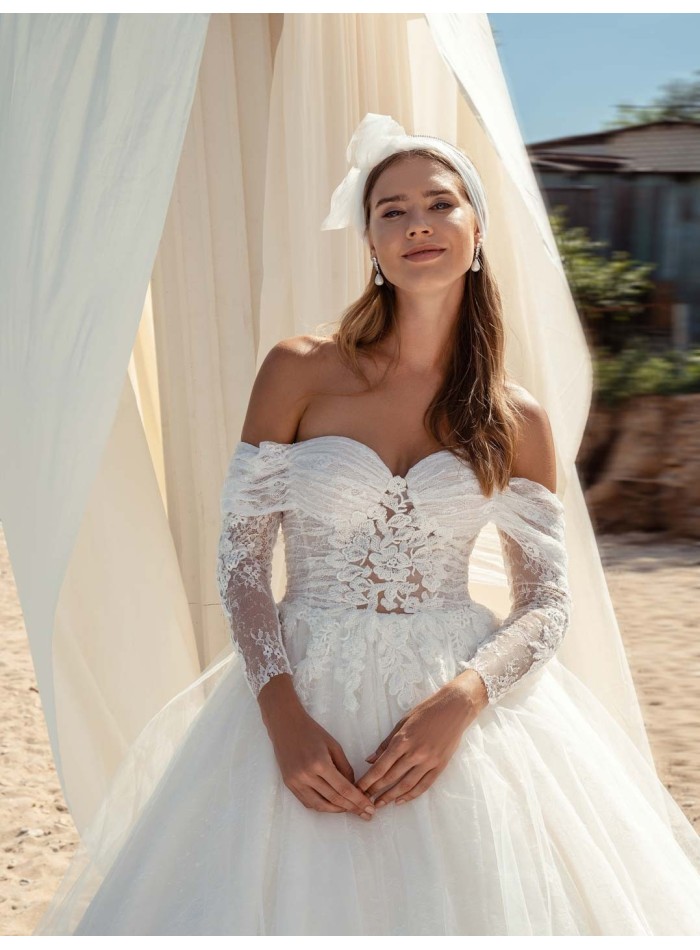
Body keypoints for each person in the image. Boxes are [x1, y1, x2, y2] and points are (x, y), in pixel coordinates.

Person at [35, 113, 700, 936]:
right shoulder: (299, 368)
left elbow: (548, 603)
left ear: (477, 230)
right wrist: (281, 716)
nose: (418, 222)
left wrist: (463, 699)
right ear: (372, 244)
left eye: (440, 203)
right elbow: (243, 563)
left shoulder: (515, 416)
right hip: (302, 686)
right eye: (391, 210)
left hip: (456, 704)